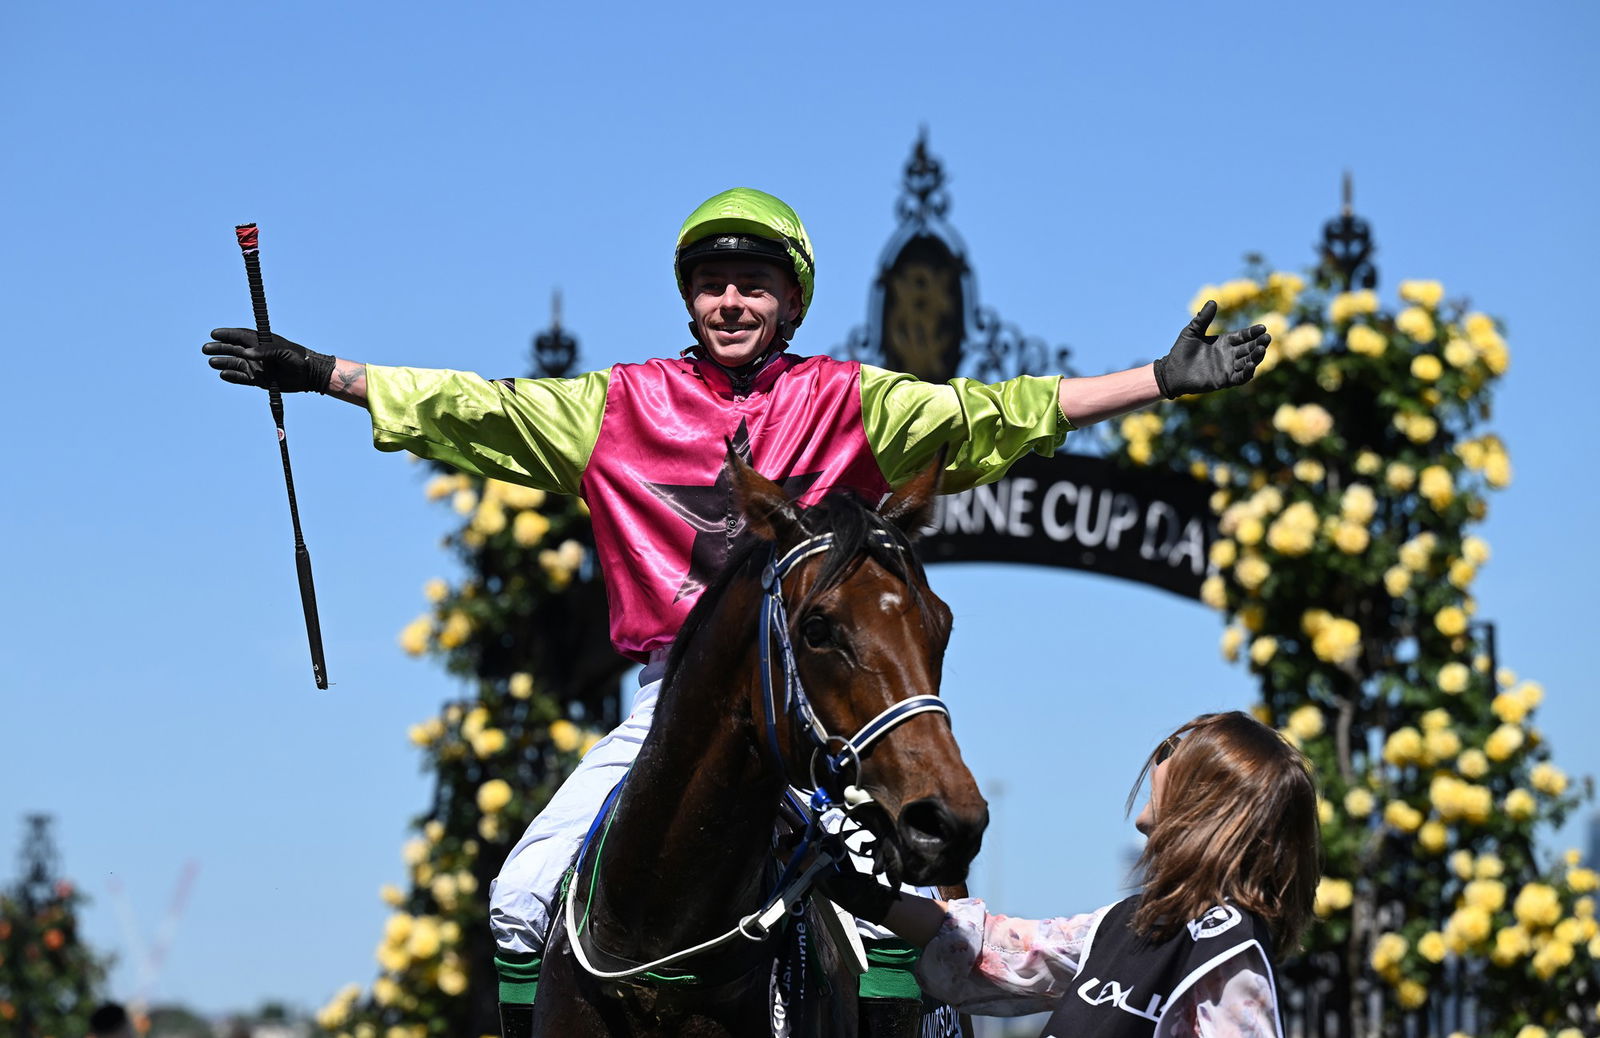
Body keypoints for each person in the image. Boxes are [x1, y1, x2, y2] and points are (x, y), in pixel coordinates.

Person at [203, 188, 1273, 1035]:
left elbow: (1000, 412)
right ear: (687, 298)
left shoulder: (850, 400)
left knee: (897, 902)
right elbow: (476, 409)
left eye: (752, 285)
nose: (730, 303)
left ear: (791, 302)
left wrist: (1157, 381)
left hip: (815, 711)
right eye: (711, 284)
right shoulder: (615, 405)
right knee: (520, 897)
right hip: (676, 704)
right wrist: (320, 373)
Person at [819, 710, 1321, 1037]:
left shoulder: (1227, 949)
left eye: (1175, 750)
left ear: (1206, 796)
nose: (1158, 758)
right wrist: (863, 895)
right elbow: (1004, 950)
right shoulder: (1133, 921)